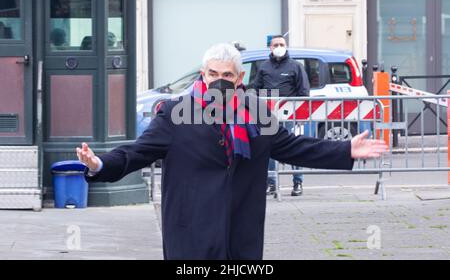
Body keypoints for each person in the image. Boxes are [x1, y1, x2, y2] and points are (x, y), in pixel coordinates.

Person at [76, 43, 388, 260]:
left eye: (227, 75)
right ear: (203, 74)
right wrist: (99, 164)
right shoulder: (175, 113)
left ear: (239, 78)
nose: (219, 81)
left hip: (240, 230)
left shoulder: (257, 113)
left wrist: (346, 149)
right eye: (214, 74)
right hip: (191, 233)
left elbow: (293, 148)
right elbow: (137, 153)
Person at [252, 35, 310, 196]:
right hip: (268, 116)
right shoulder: (263, 67)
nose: (279, 46)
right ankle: (271, 183)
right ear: (270, 48)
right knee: (268, 150)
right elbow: (256, 89)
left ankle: (297, 183)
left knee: (294, 149)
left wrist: (299, 116)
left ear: (286, 46)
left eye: (281, 44)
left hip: (290, 118)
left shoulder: (295, 67)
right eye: (275, 44)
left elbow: (303, 92)